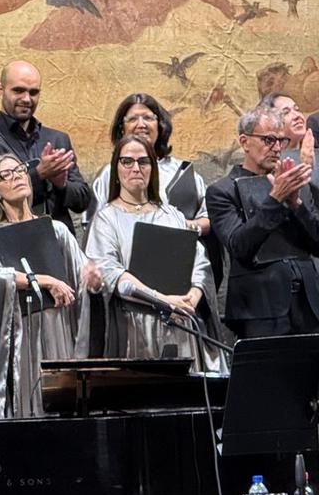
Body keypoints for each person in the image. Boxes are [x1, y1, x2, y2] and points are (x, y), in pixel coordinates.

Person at [85, 135, 225, 372]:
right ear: (116, 168)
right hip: (134, 327)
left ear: (153, 168)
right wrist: (162, 299)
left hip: (181, 321)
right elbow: (111, 273)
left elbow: (199, 262)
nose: (135, 168)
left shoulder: (172, 215)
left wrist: (192, 297)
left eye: (143, 161)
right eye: (127, 161)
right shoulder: (106, 218)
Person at [0, 154, 97, 417]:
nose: (16, 176)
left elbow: (83, 273)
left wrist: (96, 278)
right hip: (21, 332)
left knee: (62, 402)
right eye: (5, 174)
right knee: (29, 404)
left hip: (59, 326)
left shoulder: (56, 229)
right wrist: (47, 280)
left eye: (19, 170)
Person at [208, 106, 319, 338]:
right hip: (260, 306)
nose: (277, 148)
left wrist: (296, 203)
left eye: (281, 140)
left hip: (309, 304)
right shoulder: (222, 191)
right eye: (269, 140)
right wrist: (275, 198)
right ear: (245, 141)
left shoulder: (293, 180)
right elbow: (239, 245)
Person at [91, 93, 220, 287]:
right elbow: (94, 228)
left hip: (180, 269)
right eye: (133, 118)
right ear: (122, 127)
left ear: (160, 125)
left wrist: (181, 227)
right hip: (127, 271)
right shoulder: (110, 173)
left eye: (148, 118)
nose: (141, 124)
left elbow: (210, 218)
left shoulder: (185, 172)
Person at [0, 60, 94, 234]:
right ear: (0, 89)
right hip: (11, 242)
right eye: (18, 90)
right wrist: (39, 173)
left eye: (33, 92)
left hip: (59, 244)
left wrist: (61, 185)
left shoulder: (57, 139)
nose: (26, 99)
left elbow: (82, 202)